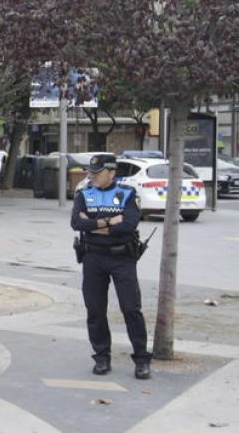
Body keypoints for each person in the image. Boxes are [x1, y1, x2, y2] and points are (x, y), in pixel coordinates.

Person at [71, 153, 152, 379]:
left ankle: (141, 358)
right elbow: (77, 223)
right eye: (90, 172)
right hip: (93, 258)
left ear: (112, 173)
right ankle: (102, 356)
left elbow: (128, 225)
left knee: (131, 309)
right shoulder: (84, 194)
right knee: (95, 310)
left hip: (122, 259)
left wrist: (94, 225)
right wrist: (108, 222)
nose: (92, 176)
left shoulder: (127, 193)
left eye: (97, 173)